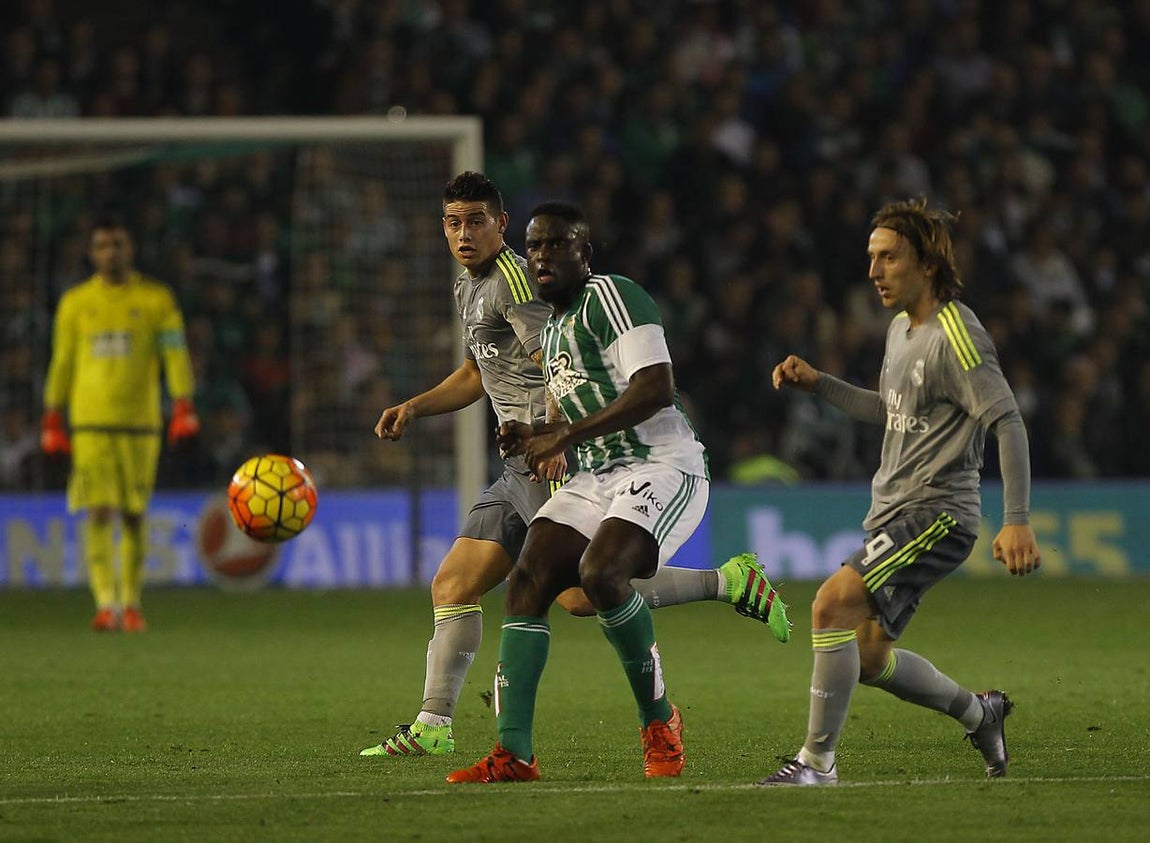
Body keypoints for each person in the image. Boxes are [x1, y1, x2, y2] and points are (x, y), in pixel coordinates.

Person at [361, 173, 789, 760]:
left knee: (584, 595)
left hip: (558, 458)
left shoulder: (520, 283)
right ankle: (436, 722)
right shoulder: (469, 286)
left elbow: (556, 366)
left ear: (500, 224)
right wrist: (416, 406)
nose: (464, 234)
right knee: (454, 584)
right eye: (454, 223)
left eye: (476, 221)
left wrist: (556, 437)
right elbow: (475, 374)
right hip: (523, 458)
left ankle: (725, 583)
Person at [758, 197, 1041, 786]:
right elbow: (891, 410)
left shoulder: (958, 336)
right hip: (894, 511)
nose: (874, 270)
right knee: (865, 657)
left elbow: (1007, 420)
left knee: (829, 605)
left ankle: (815, 764)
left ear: (928, 263)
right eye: (871, 257)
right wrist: (821, 384)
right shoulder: (899, 330)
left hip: (937, 511)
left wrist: (1016, 518)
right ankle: (979, 712)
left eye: (889, 257)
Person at [446, 200, 727, 784]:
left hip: (662, 466)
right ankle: (515, 753)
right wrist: (535, 434)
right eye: (534, 247)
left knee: (601, 575)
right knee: (528, 579)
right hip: (596, 475)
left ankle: (660, 723)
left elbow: (655, 388)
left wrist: (566, 432)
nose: (542, 256)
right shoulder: (550, 334)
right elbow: (565, 413)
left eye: (556, 244)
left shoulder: (613, 297)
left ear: (584, 252)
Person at [42, 216, 200, 633]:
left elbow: (174, 354)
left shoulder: (156, 300)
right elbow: (62, 361)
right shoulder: (76, 302)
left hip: (140, 424)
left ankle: (131, 603)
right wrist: (52, 415)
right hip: (90, 423)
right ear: (92, 253)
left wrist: (183, 404)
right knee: (97, 512)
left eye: (118, 244)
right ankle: (105, 603)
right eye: (103, 245)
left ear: (130, 250)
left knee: (133, 515)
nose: (111, 252)